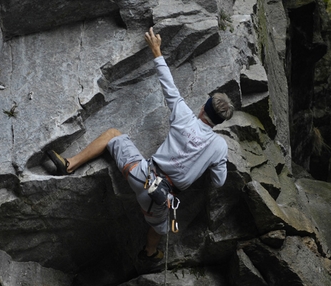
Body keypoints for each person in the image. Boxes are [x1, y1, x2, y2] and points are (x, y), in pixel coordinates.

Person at [46, 27, 234, 263]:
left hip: (141, 176)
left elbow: (169, 87)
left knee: (113, 134)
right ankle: (150, 253)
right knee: (160, 227)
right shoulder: (219, 146)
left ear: (202, 109)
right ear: (218, 122)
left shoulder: (185, 116)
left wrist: (156, 50)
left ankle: (70, 163)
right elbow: (219, 181)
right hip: (162, 200)